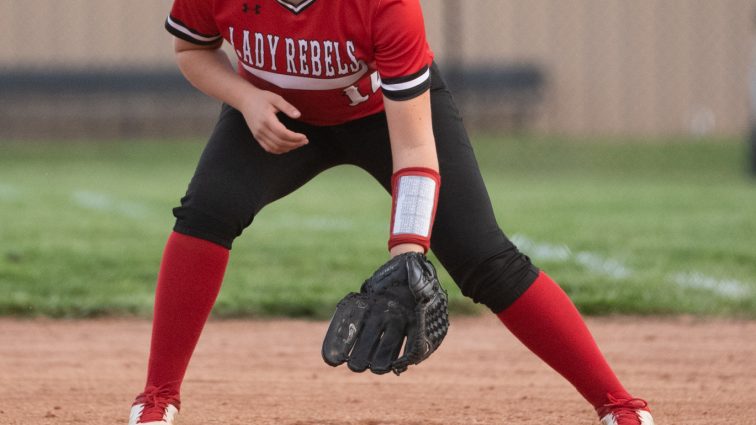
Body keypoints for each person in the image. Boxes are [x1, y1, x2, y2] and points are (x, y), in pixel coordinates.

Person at [128, 1, 656, 424]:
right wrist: (245, 98)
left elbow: (413, 149)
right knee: (205, 214)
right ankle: (157, 399)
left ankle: (619, 405)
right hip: (275, 111)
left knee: (485, 259)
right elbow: (190, 49)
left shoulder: (386, 4)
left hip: (385, 118)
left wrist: (407, 251)